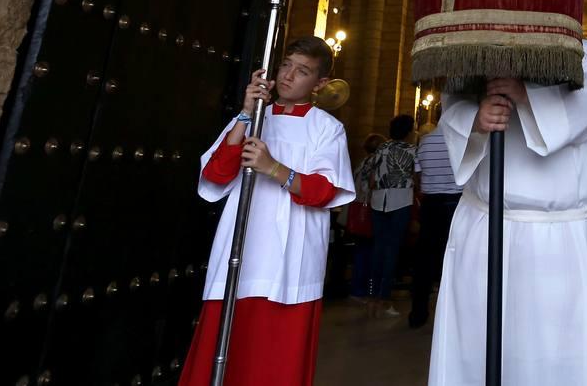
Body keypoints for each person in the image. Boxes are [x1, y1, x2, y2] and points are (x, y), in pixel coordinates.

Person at [428, 39, 587, 386]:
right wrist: (476, 120)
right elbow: (451, 103)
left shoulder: (584, 50)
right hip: (487, 225)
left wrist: (526, 96)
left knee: (561, 348)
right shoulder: (478, 41)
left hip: (560, 237)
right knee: (481, 342)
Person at [178, 37, 354, 386]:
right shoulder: (252, 119)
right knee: (224, 348)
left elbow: (324, 191)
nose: (288, 76)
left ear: (318, 84)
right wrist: (246, 112)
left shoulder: (327, 128)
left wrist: (273, 168)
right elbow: (216, 175)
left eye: (302, 71)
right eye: (286, 65)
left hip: (290, 260)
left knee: (273, 361)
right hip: (240, 251)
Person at [409, 107, 461, 328]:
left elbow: (418, 174)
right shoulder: (460, 140)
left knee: (425, 258)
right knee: (454, 258)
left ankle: (418, 313)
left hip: (431, 204)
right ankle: (451, 316)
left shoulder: (426, 141)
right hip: (455, 202)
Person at [368, 114, 417, 318]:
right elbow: (418, 176)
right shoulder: (412, 151)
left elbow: (371, 174)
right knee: (393, 250)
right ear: (408, 131)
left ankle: (372, 296)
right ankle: (385, 297)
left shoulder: (382, 148)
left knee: (378, 248)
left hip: (379, 200)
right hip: (401, 201)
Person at [349, 132, 385, 302]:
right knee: (369, 251)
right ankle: (364, 289)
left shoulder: (362, 162)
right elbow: (373, 184)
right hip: (369, 207)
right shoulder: (376, 162)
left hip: (357, 206)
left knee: (361, 250)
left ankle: (357, 288)